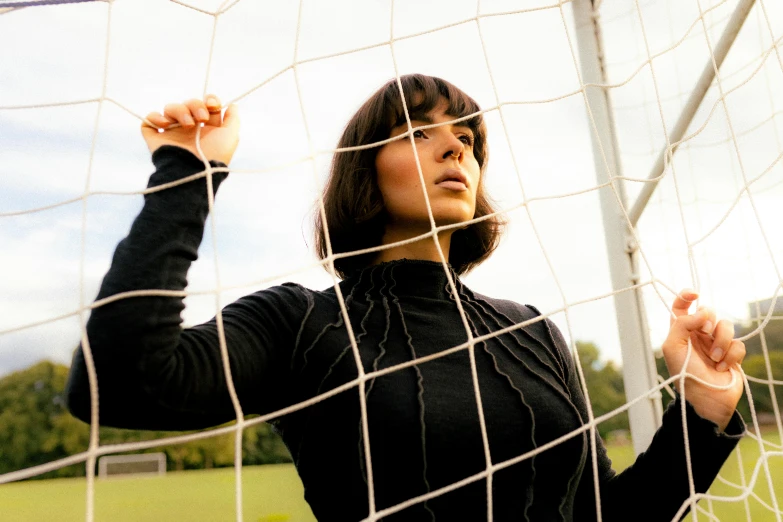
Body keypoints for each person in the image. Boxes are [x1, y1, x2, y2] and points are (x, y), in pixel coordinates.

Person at [66, 74, 746, 522]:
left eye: (467, 138)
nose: (454, 145)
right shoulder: (298, 322)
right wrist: (189, 172)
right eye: (418, 131)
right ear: (364, 166)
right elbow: (117, 384)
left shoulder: (529, 331)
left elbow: (609, 515)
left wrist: (701, 411)